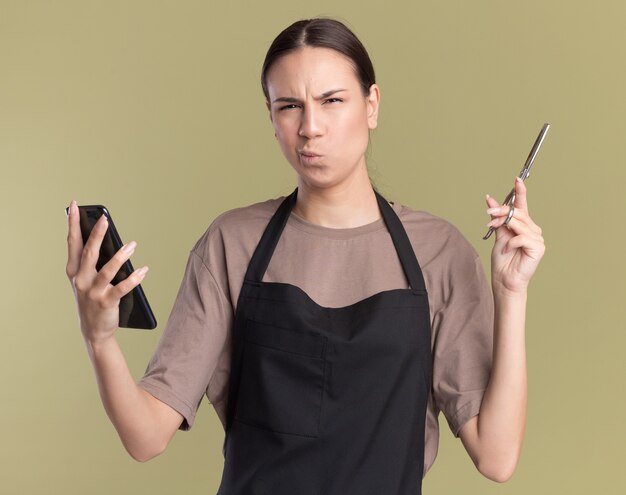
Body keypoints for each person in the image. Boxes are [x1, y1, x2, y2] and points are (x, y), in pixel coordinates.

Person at [66, 17, 545, 494]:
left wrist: (511, 291)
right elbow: (146, 437)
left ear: (371, 105)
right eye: (290, 106)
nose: (310, 128)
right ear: (271, 118)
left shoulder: (439, 252)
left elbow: (497, 456)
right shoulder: (232, 244)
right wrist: (99, 337)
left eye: (332, 100)